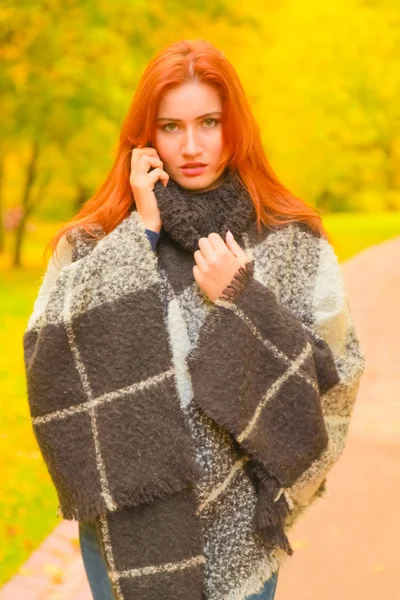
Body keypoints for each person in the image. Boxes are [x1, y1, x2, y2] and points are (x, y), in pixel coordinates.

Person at [23, 39, 366, 600]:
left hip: (241, 529)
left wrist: (241, 297)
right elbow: (50, 365)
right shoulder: (94, 243)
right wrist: (142, 237)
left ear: (236, 127)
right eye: (171, 127)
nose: (192, 146)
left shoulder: (288, 240)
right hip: (126, 531)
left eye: (209, 122)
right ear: (145, 138)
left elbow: (339, 373)